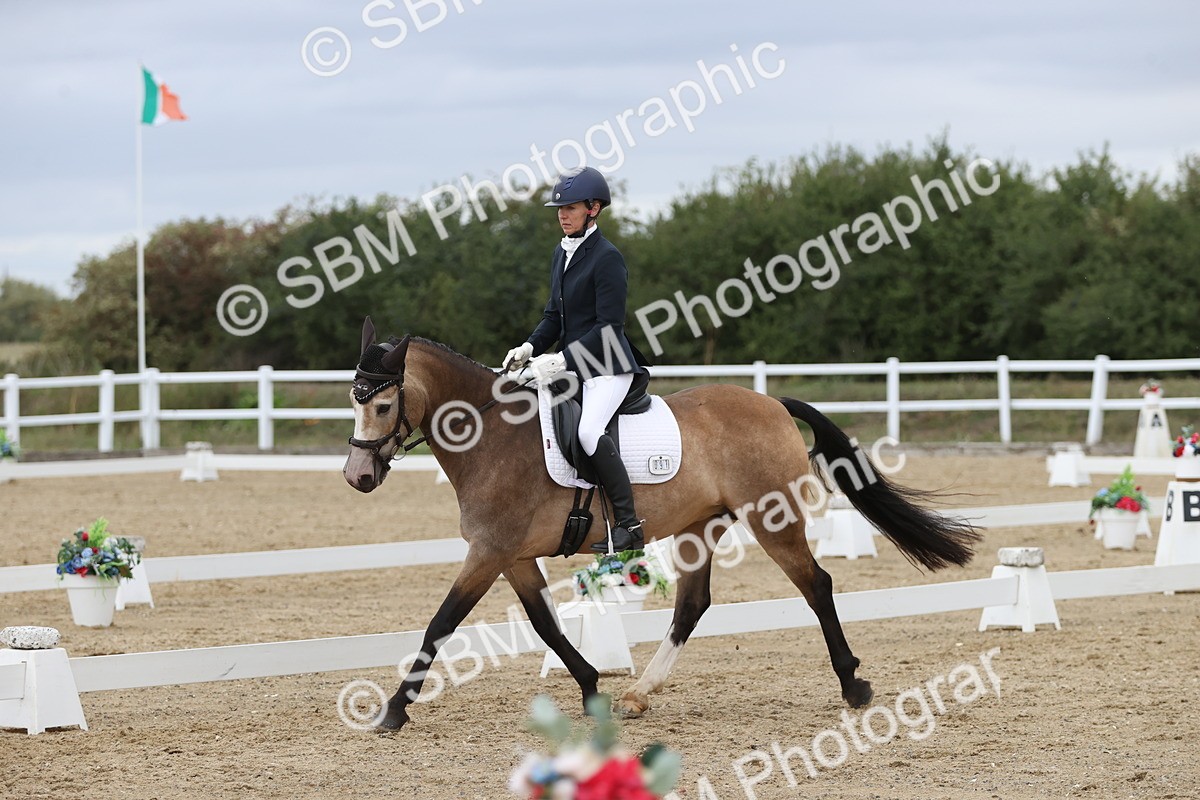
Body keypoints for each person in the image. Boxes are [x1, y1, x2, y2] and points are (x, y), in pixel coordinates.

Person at [503, 166, 649, 552]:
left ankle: (629, 524)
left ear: (594, 208)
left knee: (588, 432)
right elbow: (555, 316)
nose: (562, 214)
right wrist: (530, 348)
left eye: (570, 207)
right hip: (572, 366)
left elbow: (608, 328)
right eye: (559, 208)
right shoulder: (561, 253)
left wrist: (560, 359)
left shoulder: (607, 258)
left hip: (609, 365)